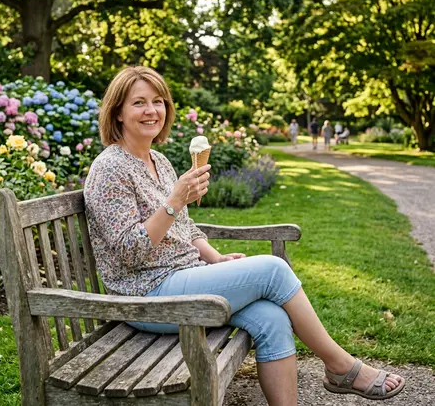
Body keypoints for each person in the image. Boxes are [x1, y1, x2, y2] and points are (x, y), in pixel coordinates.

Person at [83, 66, 405, 405]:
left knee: (272, 318)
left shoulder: (159, 161)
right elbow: (128, 252)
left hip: (183, 279)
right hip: (147, 295)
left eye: (158, 101)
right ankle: (341, 366)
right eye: (139, 103)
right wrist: (175, 200)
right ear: (118, 112)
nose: (152, 111)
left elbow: (185, 229)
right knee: (273, 270)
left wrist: (217, 259)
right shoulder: (110, 168)